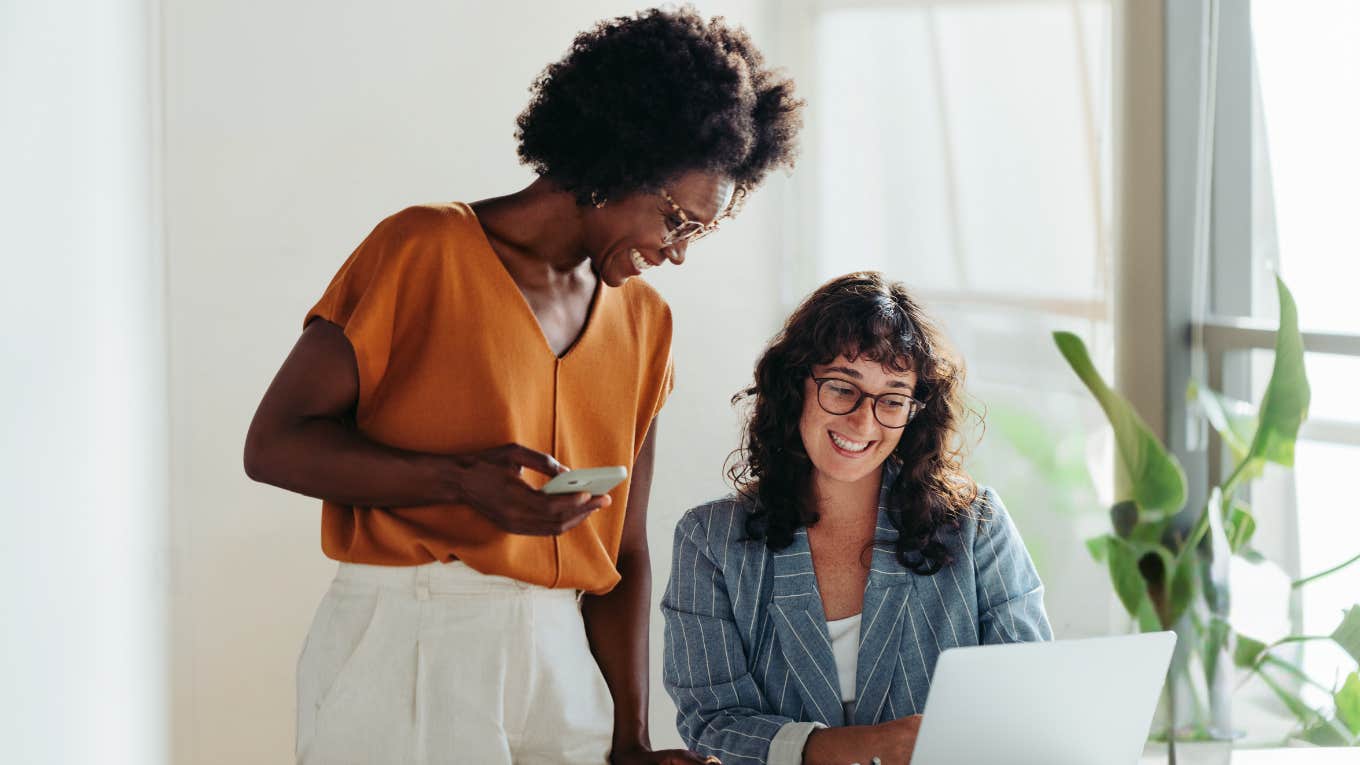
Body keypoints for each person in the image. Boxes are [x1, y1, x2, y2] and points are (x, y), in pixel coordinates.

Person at [242, 7, 802, 764]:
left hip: (561, 657)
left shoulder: (646, 321)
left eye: (697, 233)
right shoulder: (422, 249)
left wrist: (630, 737)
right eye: (674, 219)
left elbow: (624, 550)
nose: (675, 252)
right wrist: (455, 482)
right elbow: (273, 444)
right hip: (412, 637)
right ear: (617, 158)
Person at [661, 272, 1053, 765]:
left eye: (892, 399)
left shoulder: (977, 526)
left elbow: (1029, 697)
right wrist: (864, 747)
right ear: (794, 385)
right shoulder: (710, 541)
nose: (863, 422)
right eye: (842, 389)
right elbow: (711, 724)